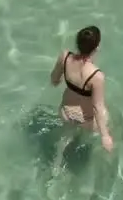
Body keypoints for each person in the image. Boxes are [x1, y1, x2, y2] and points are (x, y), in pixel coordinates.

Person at [49, 25, 114, 153]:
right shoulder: (96, 76)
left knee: (66, 137)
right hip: (87, 120)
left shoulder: (65, 57)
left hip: (65, 113)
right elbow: (97, 107)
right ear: (97, 47)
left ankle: (58, 159)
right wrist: (105, 136)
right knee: (112, 121)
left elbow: (54, 80)